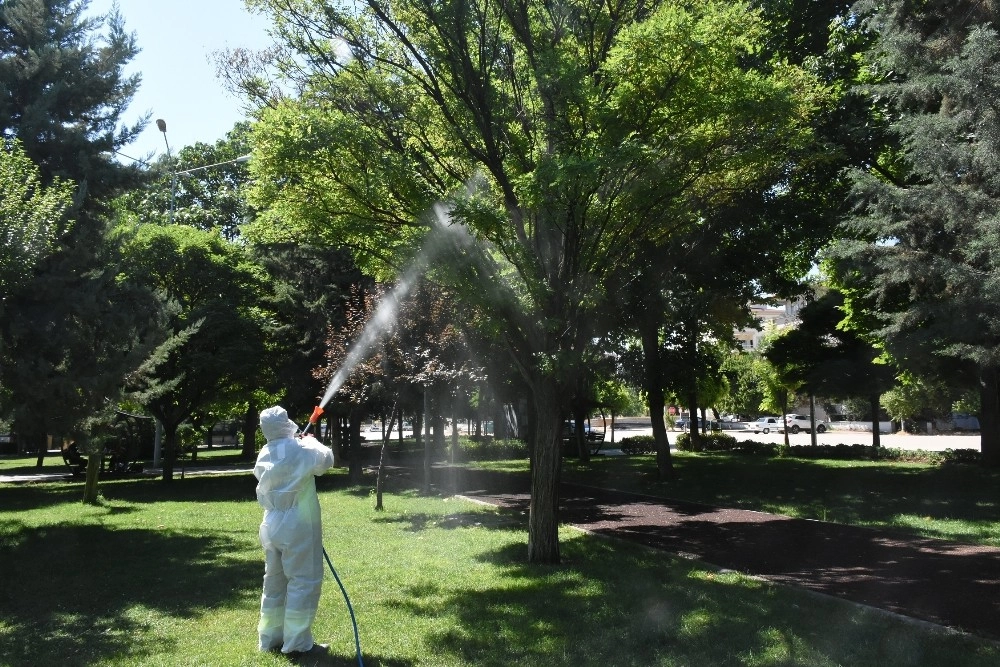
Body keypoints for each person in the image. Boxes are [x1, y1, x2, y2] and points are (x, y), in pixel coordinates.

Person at [254, 406, 336, 658]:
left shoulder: (264, 453)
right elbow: (327, 461)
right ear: (286, 423)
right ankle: (298, 644)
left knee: (274, 583)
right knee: (303, 582)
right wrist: (313, 441)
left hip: (271, 523)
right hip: (298, 525)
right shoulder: (303, 448)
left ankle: (269, 639)